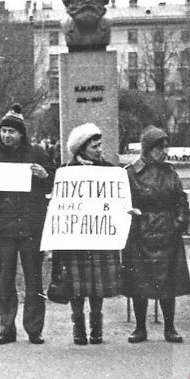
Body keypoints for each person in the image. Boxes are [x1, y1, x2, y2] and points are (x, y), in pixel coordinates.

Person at [0, 104, 53, 345]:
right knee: (5, 278)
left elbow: (54, 185)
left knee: (34, 278)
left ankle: (34, 329)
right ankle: (6, 328)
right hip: (4, 227)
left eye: (12, 131)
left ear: (22, 134)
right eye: (3, 131)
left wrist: (45, 176)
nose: (7, 136)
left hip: (32, 226)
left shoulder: (38, 154)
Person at [123, 126, 190, 344]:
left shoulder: (170, 172)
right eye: (160, 148)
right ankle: (140, 328)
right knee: (138, 283)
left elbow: (181, 201)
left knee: (167, 283)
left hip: (167, 234)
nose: (165, 151)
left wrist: (178, 224)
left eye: (165, 147)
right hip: (140, 236)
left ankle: (169, 328)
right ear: (148, 149)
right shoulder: (130, 173)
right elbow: (124, 204)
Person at [56, 123, 122, 345]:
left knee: (98, 284)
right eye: (95, 146)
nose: (100, 149)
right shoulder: (66, 173)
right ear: (82, 149)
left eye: (100, 144)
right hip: (76, 238)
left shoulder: (110, 171)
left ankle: (96, 327)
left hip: (100, 236)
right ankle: (78, 326)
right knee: (76, 284)